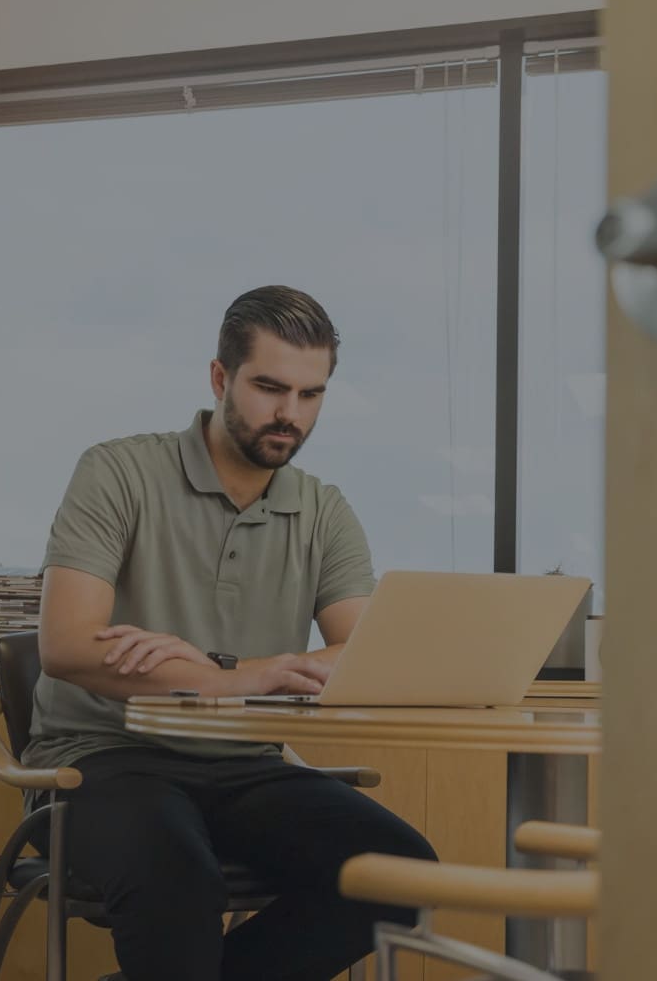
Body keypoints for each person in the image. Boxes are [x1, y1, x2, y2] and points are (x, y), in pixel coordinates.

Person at [28, 285, 436, 981]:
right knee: (179, 881)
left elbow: (360, 655)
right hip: (102, 757)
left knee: (399, 874)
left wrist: (234, 670)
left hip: (247, 765)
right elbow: (67, 644)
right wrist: (233, 678)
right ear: (221, 378)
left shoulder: (323, 510)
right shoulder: (119, 472)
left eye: (312, 395)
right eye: (270, 388)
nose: (290, 414)